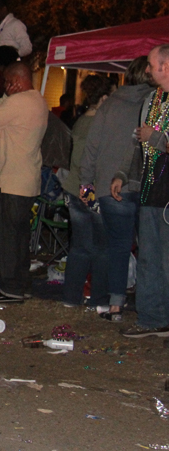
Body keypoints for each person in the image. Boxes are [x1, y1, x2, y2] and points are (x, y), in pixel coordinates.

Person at [79, 56, 153, 321]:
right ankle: (149, 303)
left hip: (111, 185)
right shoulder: (155, 105)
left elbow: (92, 146)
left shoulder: (110, 105)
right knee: (150, 247)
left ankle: (115, 304)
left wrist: (86, 183)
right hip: (146, 184)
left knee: (118, 247)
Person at [0, 62, 48, 304]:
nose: (5, 87)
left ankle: (9, 288)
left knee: (3, 235)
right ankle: (20, 285)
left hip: (10, 179)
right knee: (18, 237)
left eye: (8, 82)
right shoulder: (39, 100)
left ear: (17, 81)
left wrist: (6, 96)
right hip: (24, 178)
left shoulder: (17, 101)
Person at [126, 45, 169, 337]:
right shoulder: (152, 99)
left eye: (152, 65)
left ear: (165, 66)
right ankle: (152, 318)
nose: (148, 71)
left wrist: (157, 138)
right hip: (151, 188)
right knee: (150, 257)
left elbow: (153, 139)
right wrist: (123, 174)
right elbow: (140, 146)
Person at [60, 75, 112, 308]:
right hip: (89, 189)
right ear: (103, 98)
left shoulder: (81, 121)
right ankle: (99, 298)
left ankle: (72, 296)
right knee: (101, 247)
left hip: (75, 188)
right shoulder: (98, 124)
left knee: (80, 246)